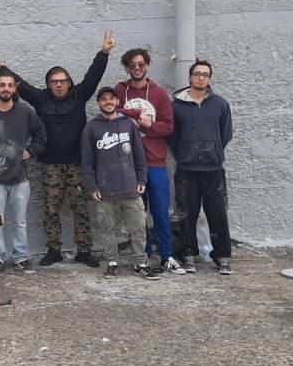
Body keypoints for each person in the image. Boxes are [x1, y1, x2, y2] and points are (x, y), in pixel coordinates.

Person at [0, 31, 116, 269]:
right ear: (48, 84)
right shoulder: (40, 98)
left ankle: (84, 251)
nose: (58, 85)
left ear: (69, 83)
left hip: (77, 164)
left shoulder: (79, 96)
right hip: (50, 165)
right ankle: (54, 250)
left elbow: (94, 75)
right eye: (54, 81)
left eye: (62, 81)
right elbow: (19, 84)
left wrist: (104, 52)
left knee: (80, 209)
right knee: (51, 209)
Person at [113, 48, 185, 275]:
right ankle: (141, 257)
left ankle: (166, 256)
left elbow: (168, 127)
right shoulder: (119, 90)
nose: (137, 68)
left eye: (141, 65)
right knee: (137, 215)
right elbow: (113, 111)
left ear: (148, 66)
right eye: (132, 65)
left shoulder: (159, 94)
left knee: (161, 212)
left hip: (155, 163)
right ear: (126, 67)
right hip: (129, 165)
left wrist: (148, 125)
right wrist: (135, 115)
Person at [81, 87, 159, 280]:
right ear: (98, 103)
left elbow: (139, 155)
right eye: (103, 99)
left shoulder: (128, 124)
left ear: (117, 102)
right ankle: (112, 263)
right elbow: (87, 161)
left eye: (111, 99)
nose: (108, 102)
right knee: (108, 229)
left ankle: (141, 263)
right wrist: (91, 186)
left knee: (138, 227)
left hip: (130, 187)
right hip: (104, 190)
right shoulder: (91, 128)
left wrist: (141, 179)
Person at [0, 71, 47, 276]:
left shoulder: (26, 112)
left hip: (20, 179)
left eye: (10, 85)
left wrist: (30, 151)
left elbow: (42, 136)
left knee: (20, 222)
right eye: (2, 85)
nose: (6, 89)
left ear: (15, 89)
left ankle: (21, 258)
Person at [168, 60, 235, 275]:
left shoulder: (220, 104)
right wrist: (185, 153)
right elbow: (172, 136)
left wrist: (212, 151)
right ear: (190, 77)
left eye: (205, 74)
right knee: (187, 214)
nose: (201, 78)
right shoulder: (176, 106)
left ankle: (222, 256)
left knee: (217, 214)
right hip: (186, 169)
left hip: (213, 169)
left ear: (210, 78)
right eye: (197, 74)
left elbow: (225, 134)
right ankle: (188, 255)